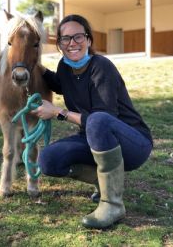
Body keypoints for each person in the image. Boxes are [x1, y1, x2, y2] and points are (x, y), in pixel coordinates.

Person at [32, 14, 153, 229]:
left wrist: (59, 112)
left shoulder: (102, 67)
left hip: (132, 143)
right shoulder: (65, 67)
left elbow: (103, 118)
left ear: (89, 40)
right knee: (48, 160)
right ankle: (104, 184)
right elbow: (60, 84)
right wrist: (32, 64)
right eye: (65, 39)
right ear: (60, 44)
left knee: (98, 121)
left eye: (78, 37)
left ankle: (112, 204)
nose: (72, 43)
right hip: (93, 138)